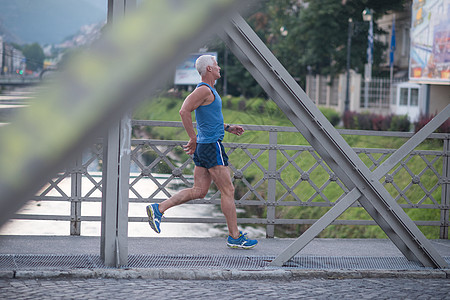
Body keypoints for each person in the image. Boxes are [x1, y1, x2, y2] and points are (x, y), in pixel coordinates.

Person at [146, 54, 257, 249]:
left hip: (207, 145)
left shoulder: (209, 90)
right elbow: (184, 111)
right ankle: (234, 236)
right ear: (208, 69)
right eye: (216, 65)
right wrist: (193, 138)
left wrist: (228, 127)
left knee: (199, 191)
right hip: (211, 145)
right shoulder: (204, 90)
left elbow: (209, 119)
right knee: (228, 190)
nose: (219, 67)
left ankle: (159, 208)